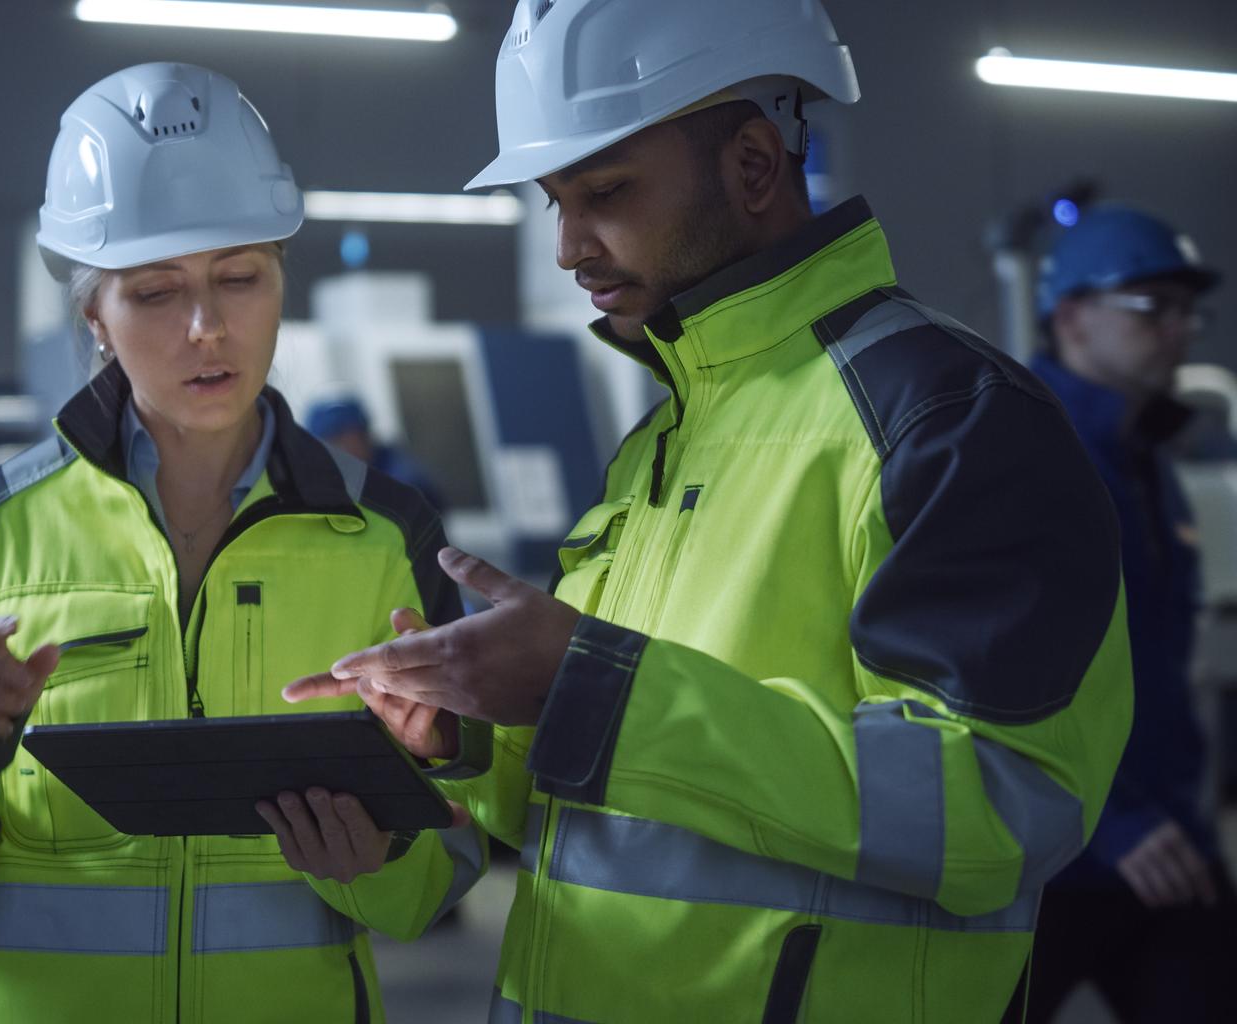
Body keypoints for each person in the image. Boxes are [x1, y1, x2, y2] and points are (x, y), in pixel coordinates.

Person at [285, 2, 1135, 1021]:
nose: (568, 247)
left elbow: (1001, 803)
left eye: (603, 192)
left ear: (753, 166)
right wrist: (465, 733)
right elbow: (611, 803)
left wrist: (592, 690)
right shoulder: (659, 443)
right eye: (555, 200)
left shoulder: (944, 420)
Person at [0, 63, 485, 1023]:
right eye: (153, 292)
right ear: (94, 315)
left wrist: (384, 853)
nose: (207, 327)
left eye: (239, 278)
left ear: (279, 283)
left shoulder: (388, 539)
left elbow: (453, 863)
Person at [1027, 206, 1237, 1021]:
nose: (1181, 330)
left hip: (1170, 842)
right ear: (1073, 316)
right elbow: (992, 668)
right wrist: (1106, 823)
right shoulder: (1025, 449)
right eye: (1154, 308)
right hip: (1053, 860)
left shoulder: (1147, 459)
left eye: (1189, 311)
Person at [305, 394, 448, 514]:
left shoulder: (403, 480)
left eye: (343, 440)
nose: (340, 450)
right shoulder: (320, 479)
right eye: (329, 442)